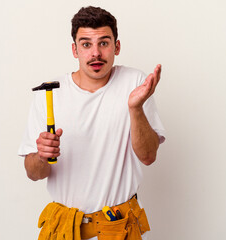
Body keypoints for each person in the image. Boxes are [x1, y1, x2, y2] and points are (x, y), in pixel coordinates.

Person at [18, 6, 165, 240]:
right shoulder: (50, 94)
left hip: (120, 228)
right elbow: (33, 173)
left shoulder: (134, 83)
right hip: (66, 229)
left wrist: (135, 108)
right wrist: (41, 156)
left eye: (104, 43)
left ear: (117, 46)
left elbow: (148, 156)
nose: (95, 53)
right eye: (86, 44)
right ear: (75, 50)